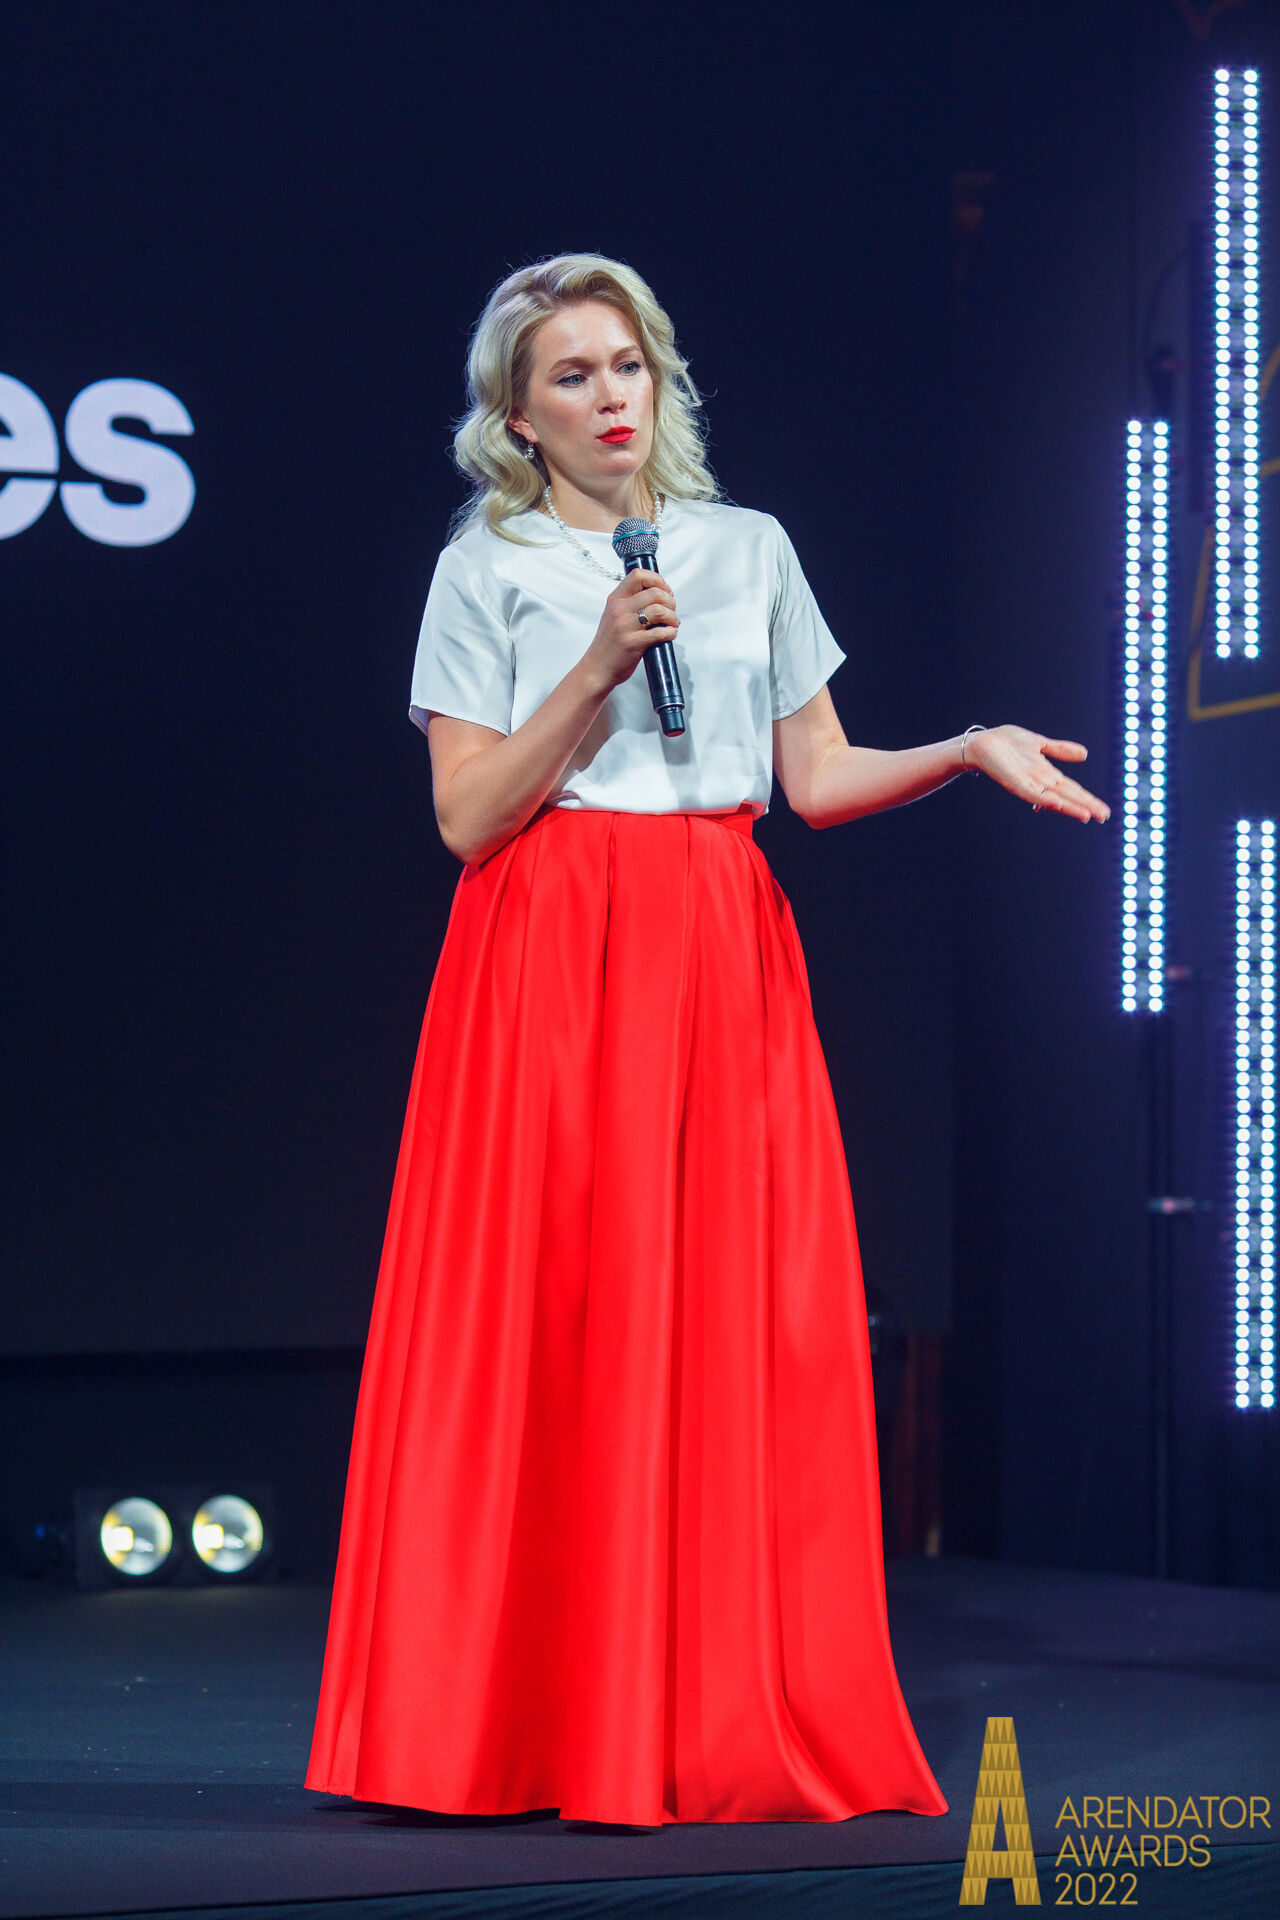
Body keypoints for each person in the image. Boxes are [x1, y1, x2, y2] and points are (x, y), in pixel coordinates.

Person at [303, 252, 1110, 1830]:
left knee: (726, 1318)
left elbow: (814, 780)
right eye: (574, 376)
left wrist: (965, 749)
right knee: (551, 1316)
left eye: (629, 365)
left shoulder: (748, 550)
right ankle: (517, 1724)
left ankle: (696, 1706)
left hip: (717, 938)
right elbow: (468, 816)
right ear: (518, 417)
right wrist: (597, 666)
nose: (612, 398)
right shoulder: (487, 567)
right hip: (549, 947)